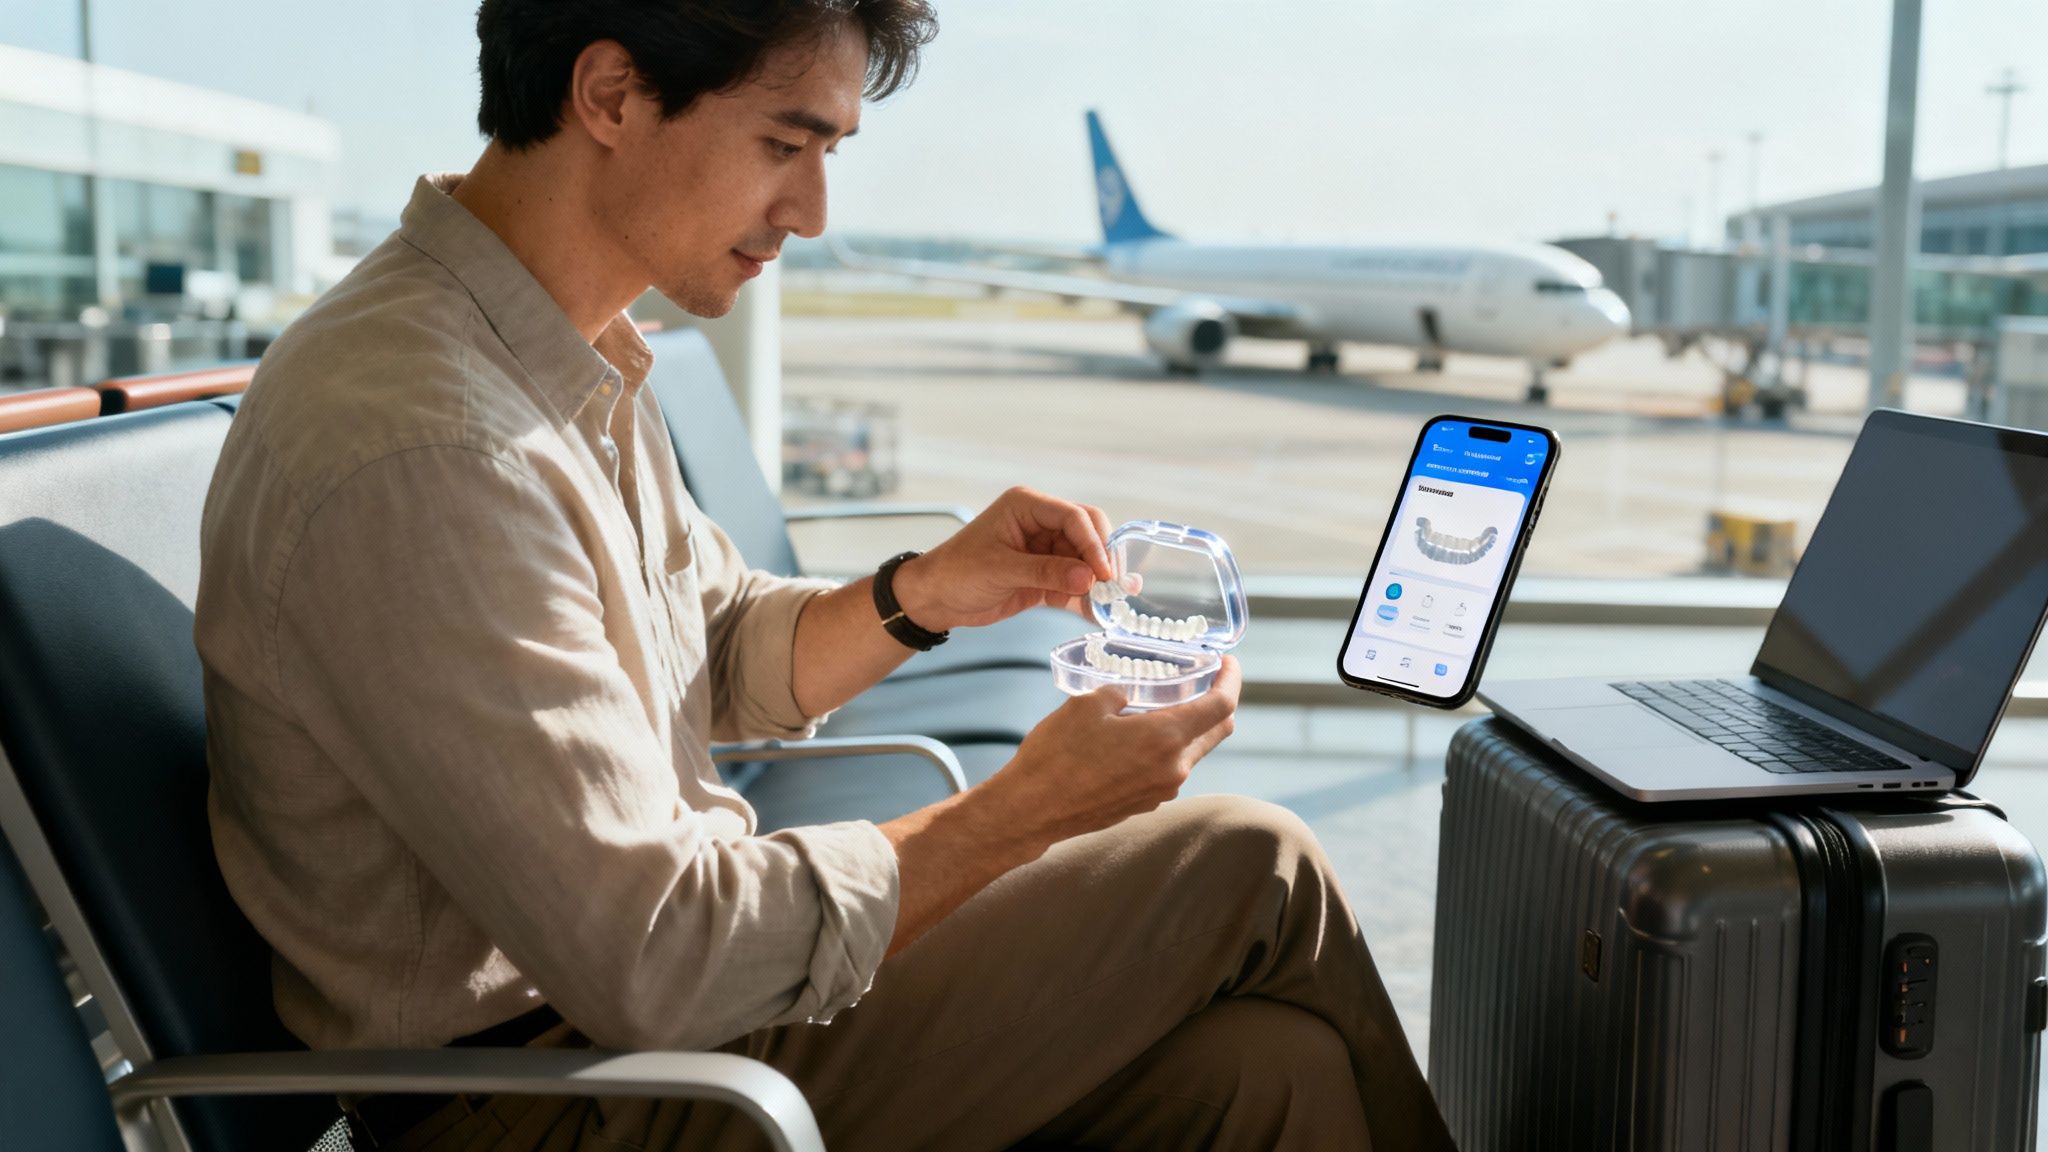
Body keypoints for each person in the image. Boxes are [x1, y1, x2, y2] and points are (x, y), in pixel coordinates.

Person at [193, 2, 1454, 1148]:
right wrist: (1027, 809)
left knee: (1266, 1073)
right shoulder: (428, 443)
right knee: (1249, 861)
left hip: (629, 1036)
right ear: (611, 96)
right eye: (784, 145)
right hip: (544, 1096)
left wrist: (925, 593)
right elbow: (656, 957)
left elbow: (716, 647)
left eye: (828, 155)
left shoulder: (553, 355)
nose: (810, 214)